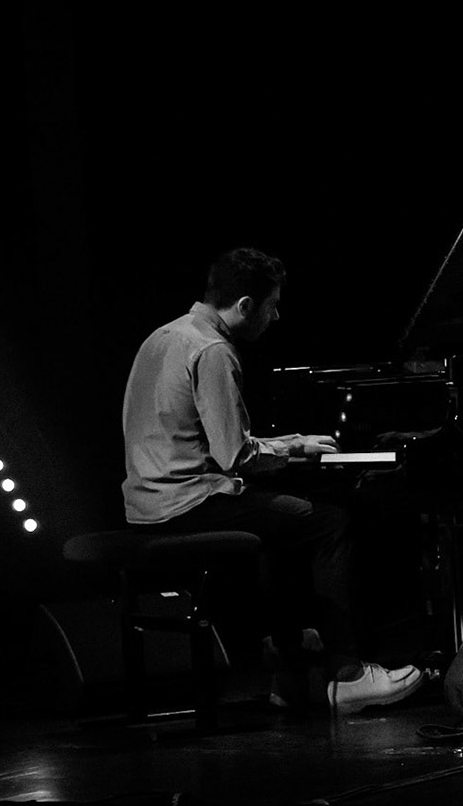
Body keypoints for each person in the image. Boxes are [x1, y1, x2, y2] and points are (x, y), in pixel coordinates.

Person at [121, 247, 424, 712]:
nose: (276, 315)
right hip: (188, 503)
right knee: (329, 522)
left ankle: (290, 672)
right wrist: (293, 449)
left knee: (280, 526)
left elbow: (204, 440)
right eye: (272, 305)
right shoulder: (214, 350)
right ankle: (347, 673)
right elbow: (236, 457)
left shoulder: (164, 336)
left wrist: (290, 442)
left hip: (146, 501)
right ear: (245, 305)